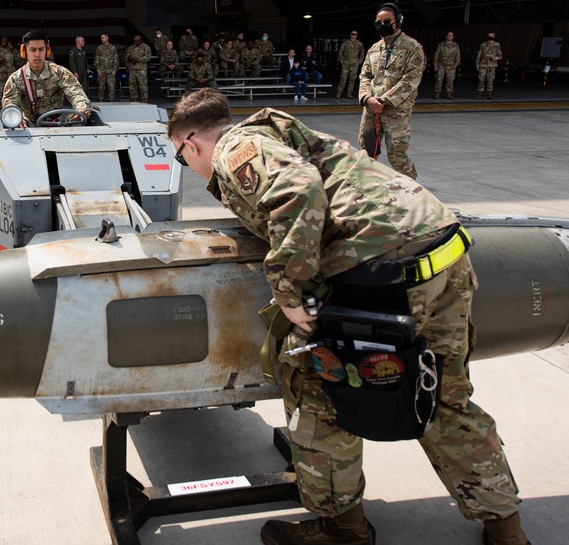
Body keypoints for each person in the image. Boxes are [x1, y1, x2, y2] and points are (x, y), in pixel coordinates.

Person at [165, 90, 529, 545]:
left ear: (191, 144)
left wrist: (289, 288)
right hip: (443, 254)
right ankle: (506, 530)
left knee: (317, 392)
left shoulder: (236, 148)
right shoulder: (281, 133)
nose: (189, 166)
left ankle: (343, 530)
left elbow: (297, 190)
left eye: (181, 157)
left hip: (382, 271)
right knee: (442, 393)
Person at [358, 3, 424, 179]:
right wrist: (367, 98)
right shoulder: (374, 49)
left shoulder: (412, 47)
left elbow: (411, 79)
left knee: (397, 154)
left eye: (386, 22)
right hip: (371, 109)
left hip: (396, 110)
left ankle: (410, 189)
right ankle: (370, 187)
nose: (382, 25)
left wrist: (384, 100)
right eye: (378, 23)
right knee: (367, 152)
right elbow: (365, 75)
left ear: (398, 21)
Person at [1, 30, 90, 127]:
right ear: (24, 51)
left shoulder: (59, 72)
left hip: (59, 123)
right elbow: (10, 103)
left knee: (79, 119)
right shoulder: (16, 78)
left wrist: (81, 108)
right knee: (14, 126)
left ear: (47, 51)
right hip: (29, 126)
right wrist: (15, 117)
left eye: (41, 49)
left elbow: (76, 92)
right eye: (32, 50)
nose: (37, 54)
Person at [336, 30, 364, 99]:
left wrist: (359, 62)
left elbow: (362, 53)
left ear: (357, 35)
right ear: (350, 35)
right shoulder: (346, 43)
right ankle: (339, 92)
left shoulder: (359, 44)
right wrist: (341, 60)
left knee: (352, 79)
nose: (354, 35)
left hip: (354, 64)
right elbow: (340, 52)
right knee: (343, 78)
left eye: (355, 34)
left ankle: (349, 93)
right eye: (353, 34)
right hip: (346, 63)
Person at [434, 31, 461, 99]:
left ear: (453, 37)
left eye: (451, 35)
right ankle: (437, 93)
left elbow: (458, 56)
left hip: (451, 66)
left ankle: (449, 93)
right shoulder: (441, 45)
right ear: (446, 36)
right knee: (439, 79)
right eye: (448, 35)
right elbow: (436, 55)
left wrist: (455, 65)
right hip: (441, 65)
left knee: (450, 80)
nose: (449, 36)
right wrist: (435, 65)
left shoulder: (456, 46)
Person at [476, 32, 503, 100]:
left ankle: (489, 94)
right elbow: (479, 55)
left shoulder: (497, 44)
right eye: (489, 36)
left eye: (492, 36)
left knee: (490, 80)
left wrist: (497, 58)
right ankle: (479, 93)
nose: (491, 37)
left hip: (492, 65)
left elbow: (500, 54)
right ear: (487, 36)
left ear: (494, 37)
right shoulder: (483, 44)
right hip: (483, 65)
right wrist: (477, 64)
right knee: (481, 79)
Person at [126, 34, 152, 102]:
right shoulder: (131, 48)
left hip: (141, 70)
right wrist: (129, 59)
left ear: (140, 40)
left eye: (137, 41)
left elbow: (148, 57)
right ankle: (134, 100)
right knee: (132, 86)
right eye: (134, 41)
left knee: (143, 86)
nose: (135, 43)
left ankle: (144, 100)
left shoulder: (146, 47)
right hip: (132, 69)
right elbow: (127, 57)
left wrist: (138, 59)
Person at [0, 37, 16, 108]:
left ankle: (12, 102)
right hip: (1, 72)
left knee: (12, 87)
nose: (4, 43)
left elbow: (19, 59)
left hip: (11, 71)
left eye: (5, 42)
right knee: (0, 87)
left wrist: (12, 49)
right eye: (3, 42)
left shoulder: (11, 50)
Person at [94, 33, 118, 102]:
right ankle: (101, 102)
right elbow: (96, 60)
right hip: (102, 71)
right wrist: (98, 70)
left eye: (103, 37)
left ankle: (111, 101)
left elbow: (116, 60)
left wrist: (114, 70)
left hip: (110, 71)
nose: (102, 39)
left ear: (107, 38)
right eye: (101, 38)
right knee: (101, 88)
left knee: (111, 87)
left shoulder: (113, 48)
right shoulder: (99, 48)